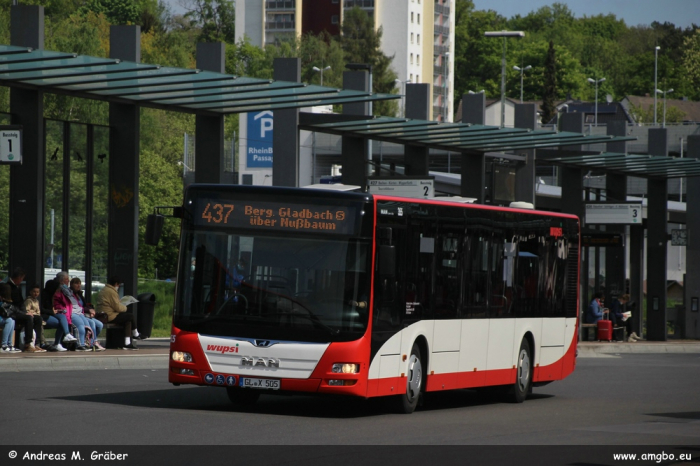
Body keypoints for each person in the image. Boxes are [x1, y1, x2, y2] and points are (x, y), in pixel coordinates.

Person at [95, 276, 140, 350]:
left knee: (127, 320)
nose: (118, 287)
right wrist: (125, 307)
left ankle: (127, 343)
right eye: (119, 285)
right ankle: (135, 334)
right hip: (108, 316)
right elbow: (118, 307)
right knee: (130, 316)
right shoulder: (111, 292)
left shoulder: (105, 289)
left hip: (104, 314)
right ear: (116, 284)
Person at [0, 282, 41, 352]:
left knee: (11, 320)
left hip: (4, 318)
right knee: (9, 320)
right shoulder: (2, 302)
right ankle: (4, 345)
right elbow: (8, 310)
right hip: (2, 318)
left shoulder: (4, 301)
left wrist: (24, 313)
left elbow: (13, 309)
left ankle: (10, 344)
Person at [70, 278, 105, 351]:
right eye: (76, 283)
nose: (78, 285)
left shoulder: (79, 294)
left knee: (100, 325)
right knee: (91, 323)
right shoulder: (71, 295)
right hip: (78, 314)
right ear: (71, 285)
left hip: (84, 313)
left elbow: (84, 305)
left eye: (79, 283)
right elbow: (78, 307)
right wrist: (88, 310)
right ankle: (92, 343)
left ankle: (91, 341)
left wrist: (91, 310)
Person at [51, 271, 79, 351]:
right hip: (59, 311)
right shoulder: (58, 291)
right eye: (67, 279)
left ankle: (57, 343)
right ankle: (66, 335)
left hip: (66, 312)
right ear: (61, 281)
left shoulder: (67, 290)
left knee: (62, 321)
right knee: (62, 320)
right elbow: (59, 303)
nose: (68, 281)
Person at [22, 284, 48, 352]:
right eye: (34, 292)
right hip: (30, 317)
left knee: (39, 320)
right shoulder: (28, 300)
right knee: (37, 319)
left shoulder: (37, 301)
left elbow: (38, 312)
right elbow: (27, 311)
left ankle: (37, 344)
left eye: (37, 292)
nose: (36, 293)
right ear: (30, 292)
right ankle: (29, 344)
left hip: (36, 317)